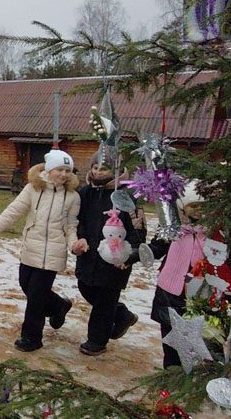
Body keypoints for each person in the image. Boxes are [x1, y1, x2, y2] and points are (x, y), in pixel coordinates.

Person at [0, 150, 84, 352]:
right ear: (49, 170)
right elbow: (14, 211)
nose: (64, 174)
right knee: (26, 286)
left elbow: (71, 226)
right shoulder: (33, 189)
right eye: (59, 169)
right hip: (31, 248)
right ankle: (59, 306)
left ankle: (31, 337)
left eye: (68, 170)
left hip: (53, 253)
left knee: (36, 297)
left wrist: (74, 245)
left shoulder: (73, 197)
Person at [146, 182, 231, 368]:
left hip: (206, 295)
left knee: (209, 340)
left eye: (204, 206)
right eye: (194, 205)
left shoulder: (218, 233)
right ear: (184, 207)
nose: (199, 210)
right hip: (170, 293)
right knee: (172, 342)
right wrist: (132, 256)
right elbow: (156, 249)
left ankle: (207, 378)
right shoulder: (173, 229)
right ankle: (170, 377)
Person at [74, 151, 142, 356]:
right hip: (88, 254)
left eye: (103, 168)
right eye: (95, 167)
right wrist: (80, 237)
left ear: (116, 171)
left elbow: (137, 229)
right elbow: (80, 220)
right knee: (85, 287)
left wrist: (130, 256)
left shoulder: (125, 196)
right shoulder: (85, 193)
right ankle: (121, 314)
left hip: (115, 259)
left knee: (105, 300)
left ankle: (97, 341)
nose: (97, 172)